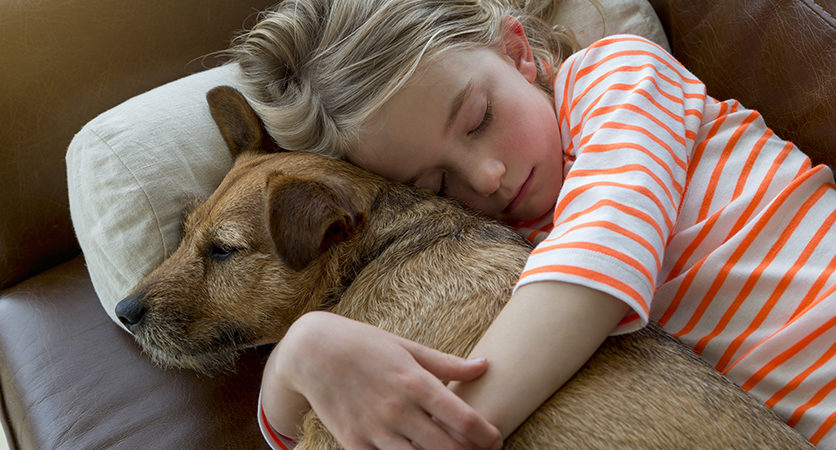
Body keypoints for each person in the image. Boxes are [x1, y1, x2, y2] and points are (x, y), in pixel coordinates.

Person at [229, 1, 836, 448]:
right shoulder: (492, 248)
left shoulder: (617, 77)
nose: (487, 176)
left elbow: (598, 262)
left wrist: (445, 430)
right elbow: (306, 429)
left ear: (517, 51)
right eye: (434, 185)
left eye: (478, 118)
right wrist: (298, 359)